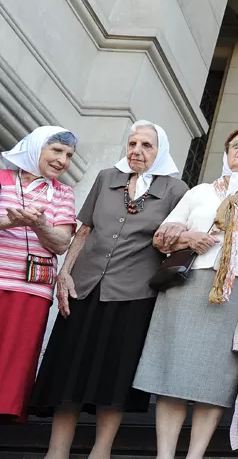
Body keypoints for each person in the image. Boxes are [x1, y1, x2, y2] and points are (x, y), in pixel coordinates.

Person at [30, 121, 187, 457]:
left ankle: (100, 452)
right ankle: (55, 453)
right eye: (132, 143)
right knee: (67, 374)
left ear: (160, 152)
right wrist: (65, 274)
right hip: (84, 289)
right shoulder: (106, 178)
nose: (137, 151)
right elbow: (84, 230)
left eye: (146, 145)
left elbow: (177, 240)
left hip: (133, 297)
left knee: (112, 381)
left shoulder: (175, 190)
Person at [132, 127, 238, 459]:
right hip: (187, 286)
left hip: (234, 293)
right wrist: (190, 238)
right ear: (226, 153)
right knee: (173, 372)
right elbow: (161, 238)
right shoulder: (198, 192)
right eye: (236, 146)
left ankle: (195, 454)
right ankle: (165, 454)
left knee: (214, 379)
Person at [0, 127, 78, 424]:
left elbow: (61, 242)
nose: (63, 160)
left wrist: (39, 224)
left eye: (69, 155)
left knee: (13, 365)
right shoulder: (2, 178)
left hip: (33, 291)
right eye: (56, 151)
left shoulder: (63, 192)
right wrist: (10, 222)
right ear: (35, 148)